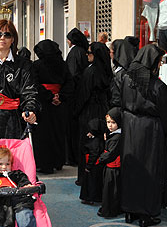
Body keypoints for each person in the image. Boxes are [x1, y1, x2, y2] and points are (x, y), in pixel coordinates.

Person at [120, 44, 167, 227]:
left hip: (130, 127)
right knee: (151, 171)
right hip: (151, 130)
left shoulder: (127, 80)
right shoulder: (158, 86)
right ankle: (147, 213)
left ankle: (130, 209)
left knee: (131, 169)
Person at [31, 40, 74, 174]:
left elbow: (34, 84)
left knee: (43, 134)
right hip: (59, 105)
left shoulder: (36, 65)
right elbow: (70, 83)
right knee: (58, 132)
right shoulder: (63, 65)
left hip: (43, 104)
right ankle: (58, 161)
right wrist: (60, 96)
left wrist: (49, 96)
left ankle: (44, 163)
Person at [75, 42, 112, 185]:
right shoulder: (106, 71)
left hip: (88, 113)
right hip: (102, 111)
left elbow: (83, 95)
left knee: (87, 146)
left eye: (89, 52)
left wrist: (76, 111)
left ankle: (85, 178)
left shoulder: (90, 71)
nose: (87, 54)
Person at [65, 28, 89, 170]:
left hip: (74, 95)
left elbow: (73, 74)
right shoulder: (82, 51)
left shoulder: (74, 52)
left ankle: (72, 156)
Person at [98, 108, 123, 218]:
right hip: (111, 168)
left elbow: (110, 154)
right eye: (108, 122)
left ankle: (109, 210)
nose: (110, 125)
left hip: (113, 169)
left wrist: (101, 158)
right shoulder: (114, 135)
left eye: (113, 122)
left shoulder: (116, 137)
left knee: (111, 191)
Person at [80, 118, 104, 205]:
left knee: (91, 183)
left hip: (93, 166)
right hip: (96, 166)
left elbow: (93, 155)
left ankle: (90, 198)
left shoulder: (95, 142)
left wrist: (88, 166)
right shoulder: (100, 139)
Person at [109, 37, 139, 108]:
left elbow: (117, 98)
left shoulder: (122, 73)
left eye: (111, 52)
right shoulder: (133, 68)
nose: (110, 55)